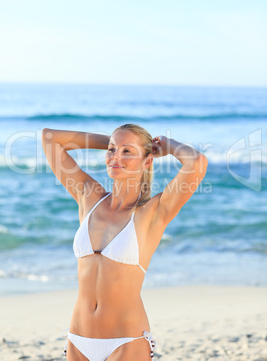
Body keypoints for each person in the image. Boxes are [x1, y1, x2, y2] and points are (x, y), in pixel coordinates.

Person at [41, 123, 208, 361]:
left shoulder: (153, 213)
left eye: (127, 152)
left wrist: (166, 146)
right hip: (78, 340)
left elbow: (197, 163)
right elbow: (50, 138)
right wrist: (115, 143)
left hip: (126, 342)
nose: (115, 157)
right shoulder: (89, 197)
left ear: (147, 161)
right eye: (111, 150)